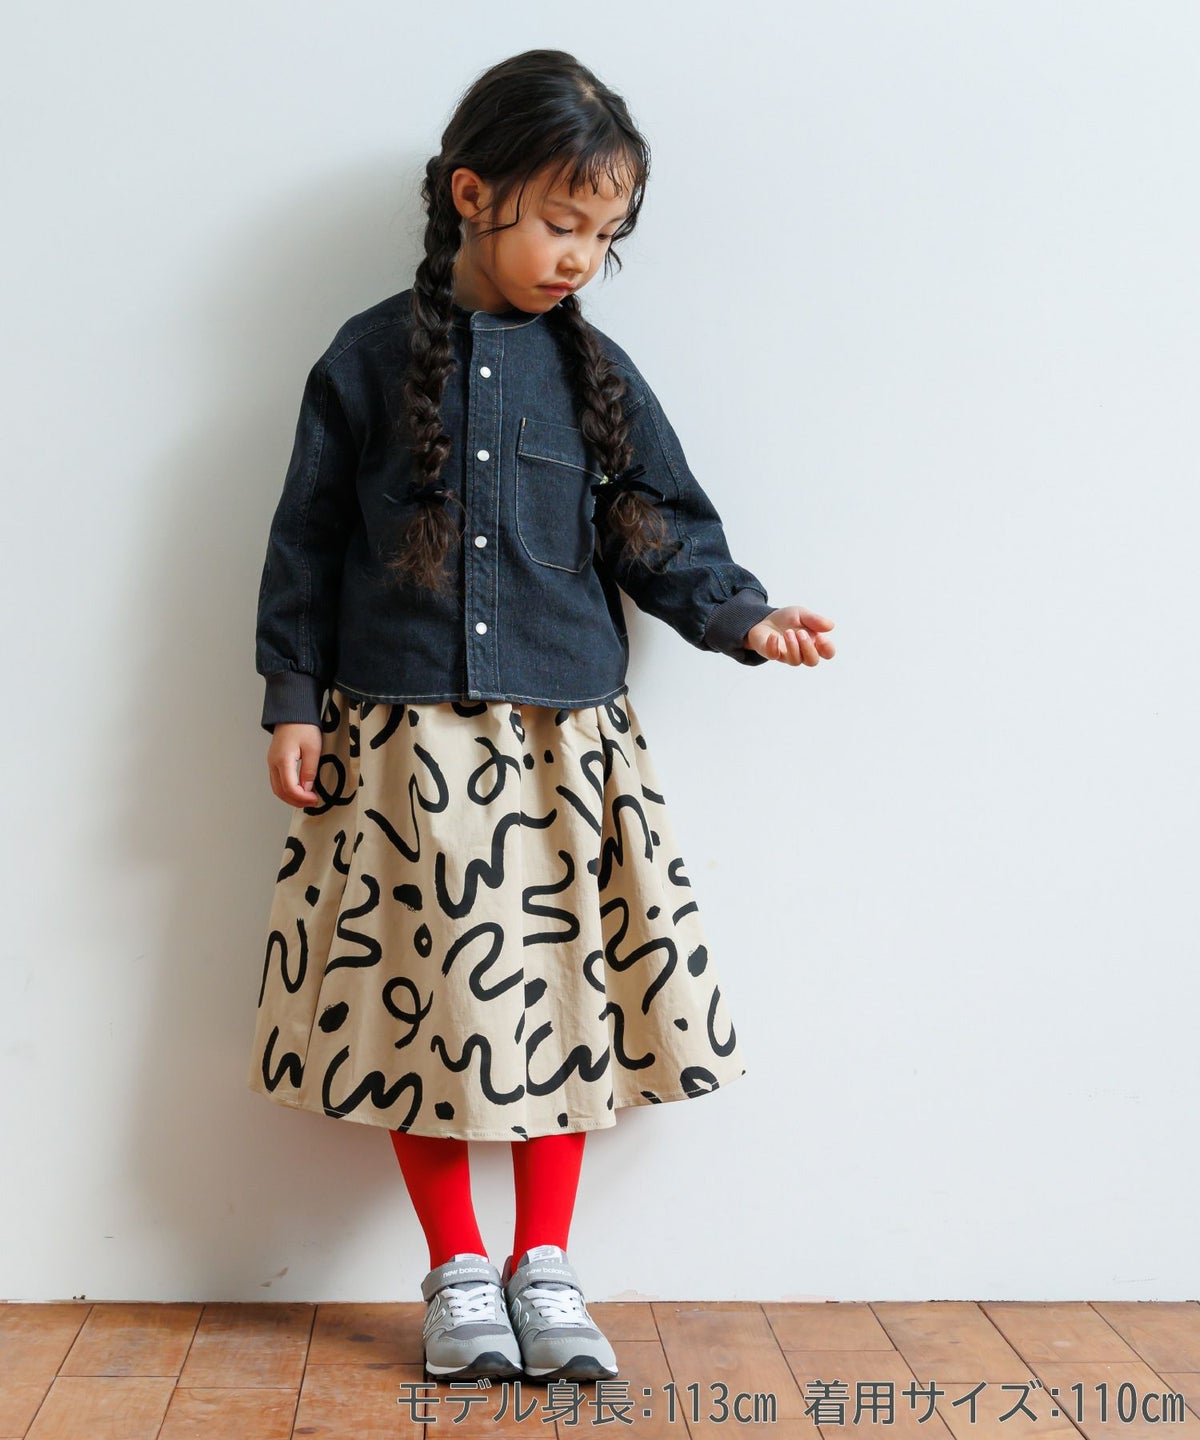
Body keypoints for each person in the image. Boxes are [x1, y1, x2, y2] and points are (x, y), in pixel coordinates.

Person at [246, 48, 835, 1386]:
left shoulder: (597, 373)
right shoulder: (364, 360)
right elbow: (306, 543)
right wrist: (290, 697)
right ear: (473, 193)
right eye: (564, 222)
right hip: (400, 745)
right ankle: (458, 1268)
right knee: (419, 1007)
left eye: (604, 236)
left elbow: (660, 530)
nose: (582, 256)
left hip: (564, 746)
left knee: (562, 999)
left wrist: (743, 618)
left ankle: (546, 1265)